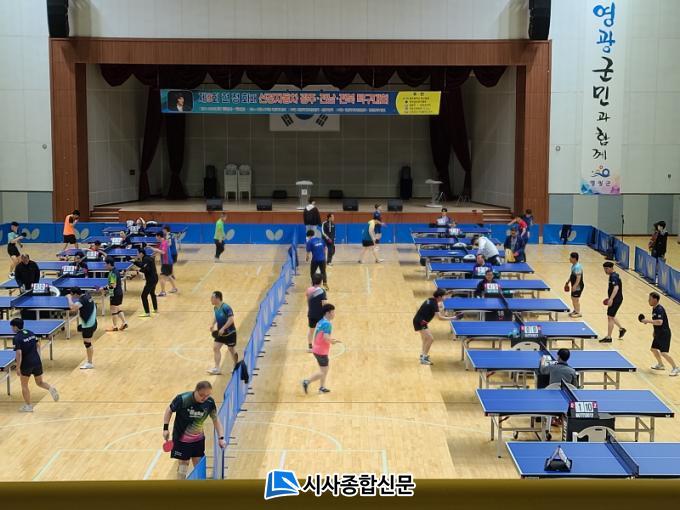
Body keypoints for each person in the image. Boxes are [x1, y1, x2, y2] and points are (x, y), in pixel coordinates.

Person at [163, 381, 226, 480]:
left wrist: (221, 438)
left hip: (198, 440)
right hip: (181, 439)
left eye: (207, 395)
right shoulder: (182, 399)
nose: (204, 398)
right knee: (183, 465)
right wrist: (165, 428)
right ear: (196, 391)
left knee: (199, 464)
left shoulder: (209, 403)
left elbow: (216, 420)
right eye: (201, 395)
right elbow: (169, 410)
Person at [11, 318, 59, 412]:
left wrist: (18, 367)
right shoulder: (31, 333)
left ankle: (28, 406)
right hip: (37, 361)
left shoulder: (17, 338)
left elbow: (19, 353)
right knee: (40, 382)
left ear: (15, 327)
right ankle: (50, 388)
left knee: (24, 385)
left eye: (12, 327)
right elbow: (38, 345)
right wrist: (36, 356)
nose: (12, 329)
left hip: (26, 364)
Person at [302, 304, 341, 394]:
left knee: (323, 370)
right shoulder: (327, 324)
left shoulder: (321, 321)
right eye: (333, 312)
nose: (334, 314)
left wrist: (331, 340)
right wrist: (332, 342)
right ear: (328, 313)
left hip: (316, 349)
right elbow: (325, 337)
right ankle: (307, 381)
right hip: (321, 351)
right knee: (323, 371)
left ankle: (322, 388)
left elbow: (322, 335)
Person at [641, 292, 680, 376]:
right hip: (658, 333)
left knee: (664, 353)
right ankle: (661, 365)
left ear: (655, 300)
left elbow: (659, 322)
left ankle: (675, 368)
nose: (648, 300)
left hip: (664, 334)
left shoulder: (659, 309)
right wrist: (654, 332)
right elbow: (656, 322)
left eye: (650, 299)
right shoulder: (654, 309)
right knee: (653, 349)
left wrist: (647, 321)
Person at [66, 287, 98, 369]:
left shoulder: (82, 301)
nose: (72, 296)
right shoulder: (87, 295)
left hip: (88, 325)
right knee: (87, 343)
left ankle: (90, 363)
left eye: (72, 294)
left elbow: (72, 308)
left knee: (87, 343)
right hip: (93, 322)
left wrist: (69, 298)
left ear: (76, 294)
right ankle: (89, 362)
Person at [413, 289, 446, 365]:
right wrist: (454, 318)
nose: (445, 297)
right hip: (420, 322)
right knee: (430, 339)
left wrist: (440, 307)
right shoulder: (434, 304)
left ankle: (423, 355)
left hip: (420, 320)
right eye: (444, 296)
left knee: (425, 339)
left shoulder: (431, 300)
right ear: (439, 297)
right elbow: (440, 318)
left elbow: (432, 307)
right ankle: (424, 358)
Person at [207, 291, 238, 374]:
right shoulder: (215, 307)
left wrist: (223, 328)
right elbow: (216, 316)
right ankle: (217, 368)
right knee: (215, 348)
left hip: (230, 333)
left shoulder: (226, 307)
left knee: (231, 349)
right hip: (221, 333)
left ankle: (236, 366)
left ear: (217, 298)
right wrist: (213, 324)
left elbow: (231, 319)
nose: (211, 299)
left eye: (212, 298)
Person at [599, 261, 626, 343]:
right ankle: (621, 329)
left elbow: (616, 288)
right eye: (604, 269)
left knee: (610, 317)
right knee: (611, 316)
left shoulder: (613, 277)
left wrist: (611, 299)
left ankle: (609, 337)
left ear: (611, 268)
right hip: (616, 299)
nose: (605, 270)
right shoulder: (614, 275)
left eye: (607, 269)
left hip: (616, 300)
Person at [132, 246, 158, 317]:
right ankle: (155, 309)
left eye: (138, 253)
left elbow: (146, 269)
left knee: (143, 296)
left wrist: (138, 271)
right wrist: (135, 262)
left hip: (151, 280)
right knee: (152, 293)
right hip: (155, 278)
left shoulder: (146, 259)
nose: (137, 255)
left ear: (141, 254)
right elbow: (143, 265)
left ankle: (147, 313)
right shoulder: (147, 258)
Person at [104, 257, 127, 332]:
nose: (104, 266)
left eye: (105, 264)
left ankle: (114, 327)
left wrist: (104, 288)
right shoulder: (115, 270)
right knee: (118, 308)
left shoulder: (113, 273)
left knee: (113, 309)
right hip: (119, 293)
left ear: (109, 264)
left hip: (115, 294)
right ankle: (124, 323)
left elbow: (113, 285)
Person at [306, 274, 328, 352]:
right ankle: (319, 346)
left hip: (311, 313)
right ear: (321, 281)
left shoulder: (309, 290)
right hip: (320, 315)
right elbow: (324, 304)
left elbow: (308, 301)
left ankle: (310, 347)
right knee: (322, 331)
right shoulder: (322, 291)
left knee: (311, 330)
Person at [152, 232, 178, 296]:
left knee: (162, 277)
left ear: (159, 236)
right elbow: (160, 250)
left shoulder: (164, 243)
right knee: (168, 275)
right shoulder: (163, 242)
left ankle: (163, 292)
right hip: (168, 262)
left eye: (156, 236)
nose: (155, 237)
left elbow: (163, 252)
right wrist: (153, 254)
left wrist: (154, 249)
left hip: (166, 262)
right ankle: (174, 288)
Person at [564, 252, 584, 318]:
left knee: (575, 299)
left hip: (578, 286)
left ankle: (578, 313)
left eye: (570, 258)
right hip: (574, 285)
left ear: (574, 258)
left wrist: (575, 286)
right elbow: (572, 275)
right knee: (573, 298)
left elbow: (578, 277)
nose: (569, 259)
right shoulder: (574, 266)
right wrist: (568, 282)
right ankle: (575, 310)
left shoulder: (577, 267)